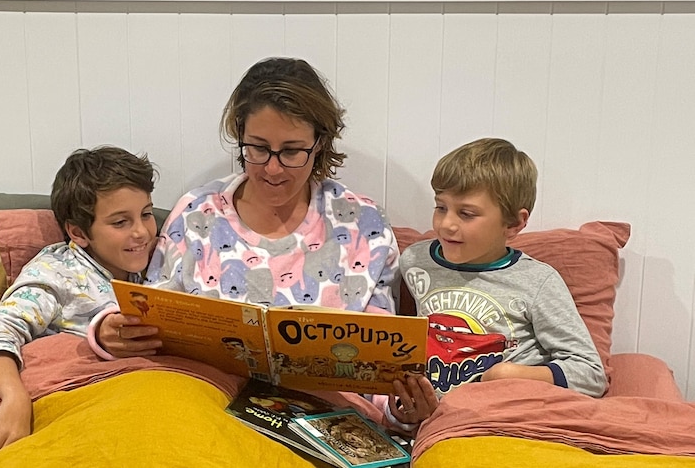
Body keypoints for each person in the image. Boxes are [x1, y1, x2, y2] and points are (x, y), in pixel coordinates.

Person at [88, 57, 438, 433]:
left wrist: (401, 408)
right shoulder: (196, 214)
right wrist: (110, 333)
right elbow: (153, 319)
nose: (272, 169)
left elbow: (378, 365)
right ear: (240, 136)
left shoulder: (362, 224)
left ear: (320, 143)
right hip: (204, 409)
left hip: (326, 423)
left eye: (291, 151)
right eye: (257, 148)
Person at [0, 146, 163, 456]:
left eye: (146, 214)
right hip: (71, 400)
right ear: (78, 232)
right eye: (121, 222)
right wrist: (15, 398)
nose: (142, 233)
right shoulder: (58, 273)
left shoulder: (156, 264)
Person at [400, 137, 607, 398]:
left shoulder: (537, 281)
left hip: (504, 415)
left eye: (467, 214)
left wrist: (510, 376)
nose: (446, 224)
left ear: (513, 224)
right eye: (441, 207)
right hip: (439, 418)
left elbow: (591, 374)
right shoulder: (414, 261)